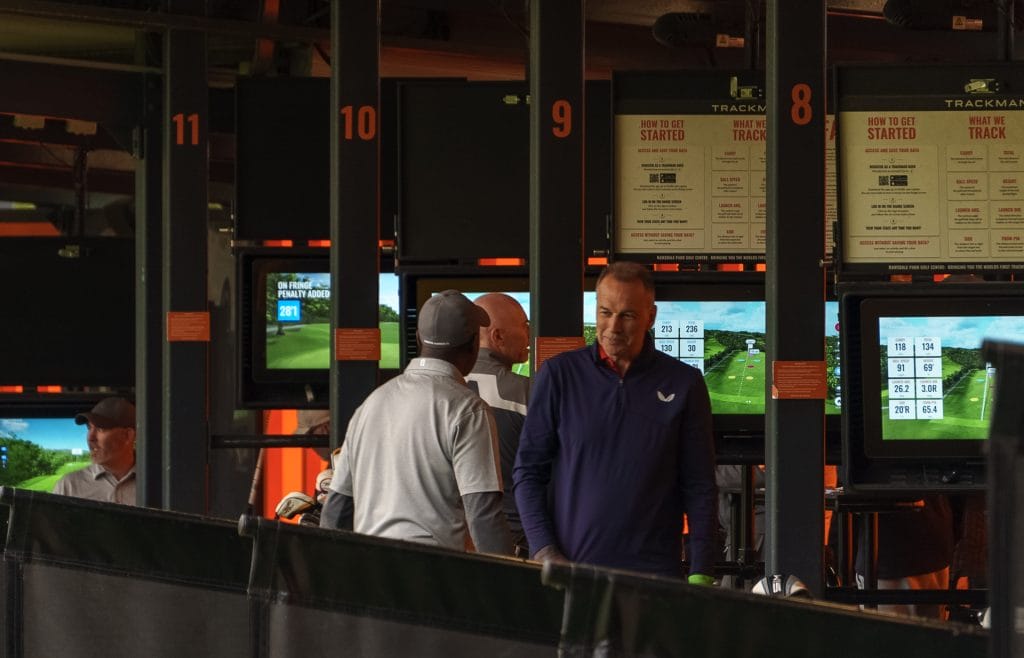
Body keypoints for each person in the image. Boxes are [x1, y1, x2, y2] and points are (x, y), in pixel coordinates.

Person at [514, 262, 718, 582]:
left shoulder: (685, 383)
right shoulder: (559, 375)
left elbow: (700, 485)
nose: (613, 327)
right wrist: (544, 550)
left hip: (655, 578)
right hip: (572, 575)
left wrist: (701, 570)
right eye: (605, 312)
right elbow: (527, 473)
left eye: (627, 315)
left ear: (651, 317)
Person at [321, 289, 513, 556]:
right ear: (472, 346)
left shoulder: (372, 404)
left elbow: (336, 510)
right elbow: (484, 518)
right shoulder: (468, 409)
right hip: (431, 577)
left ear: (418, 338)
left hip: (373, 574)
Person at [465, 293, 531, 555]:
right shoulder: (528, 393)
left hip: (452, 544)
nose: (530, 335)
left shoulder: (437, 390)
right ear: (498, 337)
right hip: (517, 545)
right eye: (525, 326)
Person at [53, 396, 137, 505]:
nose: (90, 437)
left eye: (100, 429)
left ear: (127, 435)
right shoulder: (68, 486)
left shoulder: (160, 484)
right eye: (89, 428)